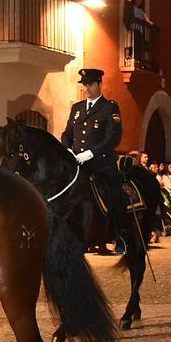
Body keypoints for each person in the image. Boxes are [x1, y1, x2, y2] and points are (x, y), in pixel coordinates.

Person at [60, 67, 132, 254]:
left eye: (90, 84)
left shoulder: (109, 107)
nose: (86, 88)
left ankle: (122, 236)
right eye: (84, 84)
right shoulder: (77, 108)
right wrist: (68, 149)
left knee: (114, 194)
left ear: (99, 84)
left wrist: (90, 153)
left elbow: (113, 138)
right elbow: (66, 134)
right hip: (77, 163)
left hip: (100, 163)